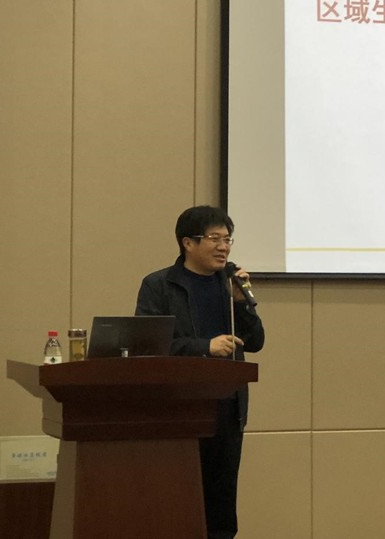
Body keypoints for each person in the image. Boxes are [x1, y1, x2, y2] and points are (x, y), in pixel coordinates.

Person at [135, 205, 265, 539]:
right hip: (177, 406)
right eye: (214, 238)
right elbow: (148, 345)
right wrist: (203, 347)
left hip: (227, 407)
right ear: (188, 243)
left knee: (221, 505)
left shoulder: (229, 285)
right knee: (177, 500)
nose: (223, 247)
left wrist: (241, 302)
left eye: (227, 239)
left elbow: (255, 342)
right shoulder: (159, 285)